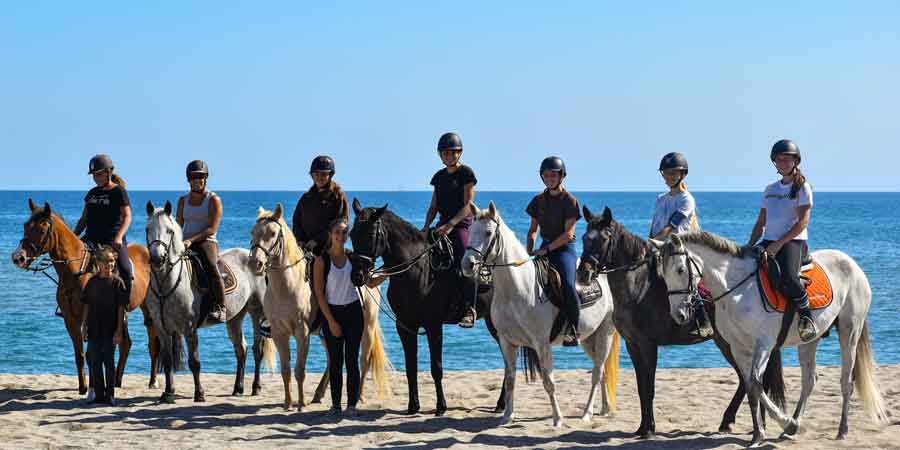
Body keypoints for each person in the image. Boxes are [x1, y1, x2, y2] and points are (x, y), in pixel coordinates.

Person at [314, 218, 385, 416]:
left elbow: (370, 283)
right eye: (337, 232)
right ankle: (336, 405)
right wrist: (330, 321)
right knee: (335, 362)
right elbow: (319, 294)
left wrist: (387, 273)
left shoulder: (354, 258)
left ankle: (352, 405)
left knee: (352, 361)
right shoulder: (322, 260)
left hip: (354, 313)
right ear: (331, 234)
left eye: (344, 233)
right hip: (333, 314)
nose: (341, 236)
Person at [748, 139, 817, 342]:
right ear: (774, 163)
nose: (783, 163)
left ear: (795, 161)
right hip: (768, 241)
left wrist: (779, 244)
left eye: (788, 159)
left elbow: (802, 223)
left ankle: (806, 316)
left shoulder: (803, 188)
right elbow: (761, 222)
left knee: (788, 276)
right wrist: (749, 246)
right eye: (779, 159)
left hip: (794, 242)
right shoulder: (769, 189)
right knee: (743, 267)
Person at [650, 152, 712, 337]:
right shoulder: (660, 199)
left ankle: (703, 320)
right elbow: (655, 225)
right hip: (662, 247)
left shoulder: (687, 199)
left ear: (682, 174)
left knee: (690, 279)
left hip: (684, 247)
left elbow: (672, 226)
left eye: (674, 173)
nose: (670, 177)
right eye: (667, 173)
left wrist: (655, 240)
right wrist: (649, 243)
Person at [422, 132, 478, 328]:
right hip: (442, 224)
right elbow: (433, 206)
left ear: (459, 153)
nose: (449, 156)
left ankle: (470, 308)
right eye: (445, 153)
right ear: (440, 155)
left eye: (453, 153)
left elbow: (468, 205)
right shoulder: (438, 177)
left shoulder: (466, 174)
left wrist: (451, 225)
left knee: (466, 262)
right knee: (421, 256)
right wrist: (425, 227)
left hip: (462, 224)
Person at [525, 156, 581, 346]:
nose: (549, 178)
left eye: (553, 175)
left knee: (567, 283)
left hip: (564, 250)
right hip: (544, 248)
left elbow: (568, 235)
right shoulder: (538, 201)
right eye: (546, 175)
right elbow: (533, 230)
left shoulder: (570, 201)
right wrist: (529, 251)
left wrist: (547, 249)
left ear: (561, 176)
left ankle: (573, 328)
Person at [74, 154, 133, 298]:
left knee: (125, 269)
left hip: (112, 240)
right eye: (94, 175)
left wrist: (119, 237)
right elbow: (83, 220)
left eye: (98, 174)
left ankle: (123, 304)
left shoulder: (119, 192)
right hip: (91, 239)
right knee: (71, 264)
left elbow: (127, 217)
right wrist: (74, 236)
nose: (96, 178)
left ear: (109, 173)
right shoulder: (92, 194)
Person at [176, 160, 227, 323]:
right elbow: (178, 224)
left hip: (207, 241)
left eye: (201, 177)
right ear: (188, 179)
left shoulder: (213, 200)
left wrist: (191, 240)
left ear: (206, 178)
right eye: (193, 177)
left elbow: (211, 229)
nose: (197, 180)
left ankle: (221, 307)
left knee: (211, 266)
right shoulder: (182, 200)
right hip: (185, 242)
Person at [81, 245, 127, 406]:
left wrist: (119, 330)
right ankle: (98, 395)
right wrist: (84, 326)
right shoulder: (92, 282)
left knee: (109, 362)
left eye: (113, 261)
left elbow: (121, 308)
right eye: (107, 261)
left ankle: (110, 395)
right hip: (94, 327)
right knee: (95, 362)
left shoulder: (118, 283)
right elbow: (86, 304)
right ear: (98, 263)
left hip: (110, 329)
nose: (110, 264)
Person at [292, 155, 350, 257]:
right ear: (312, 176)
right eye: (316, 174)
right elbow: (296, 222)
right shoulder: (306, 198)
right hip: (305, 250)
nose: (319, 177)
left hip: (330, 250)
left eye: (323, 174)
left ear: (330, 175)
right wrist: (300, 240)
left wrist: (317, 240)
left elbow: (341, 224)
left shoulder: (338, 196)